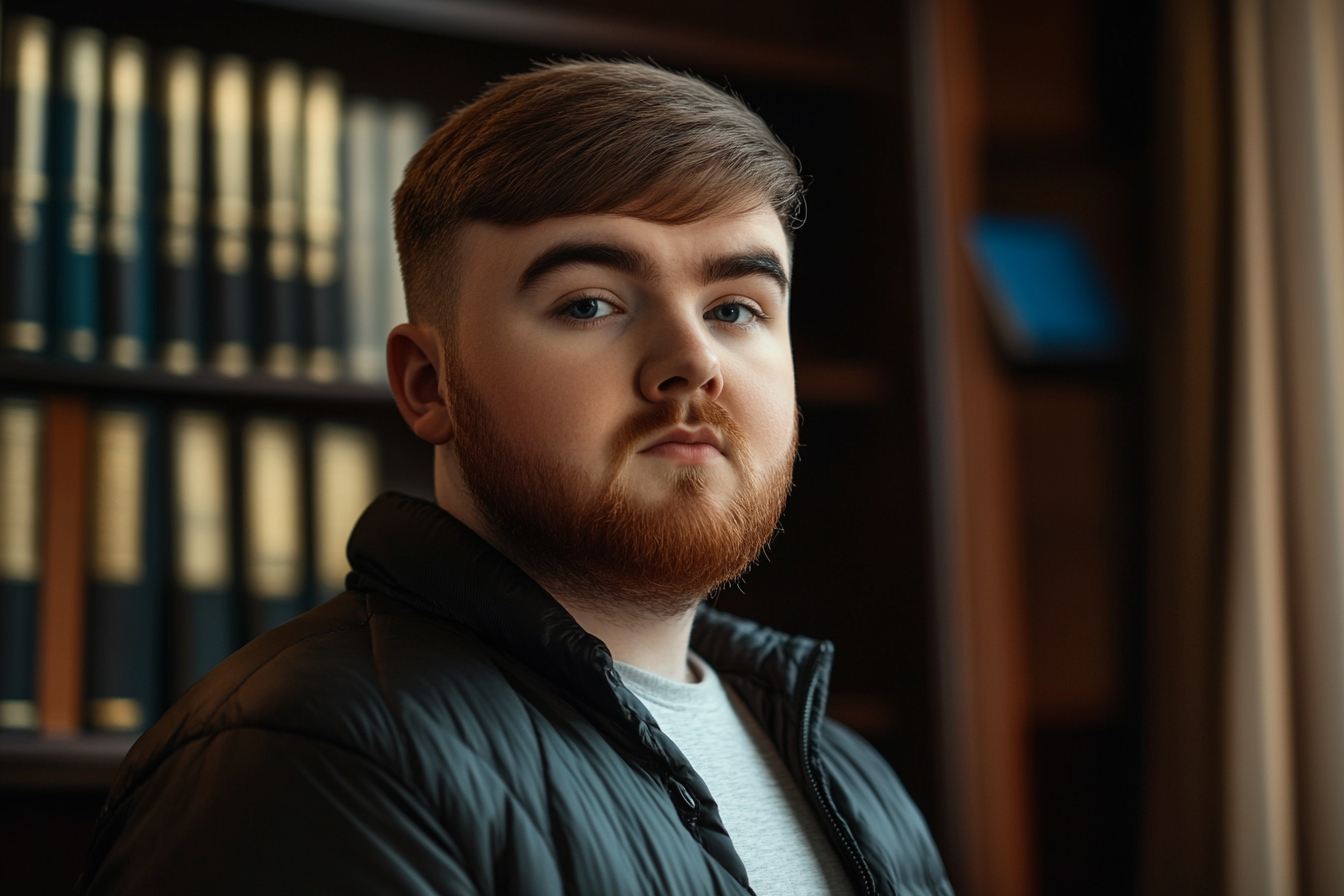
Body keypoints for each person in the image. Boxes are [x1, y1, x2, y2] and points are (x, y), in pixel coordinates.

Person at [77, 60, 953, 896]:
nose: (693, 362)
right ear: (429, 385)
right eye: (589, 304)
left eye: (735, 309)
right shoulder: (308, 754)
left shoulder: (854, 778)